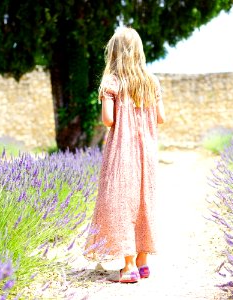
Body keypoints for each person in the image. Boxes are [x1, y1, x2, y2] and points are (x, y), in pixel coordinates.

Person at [84, 27, 166, 283]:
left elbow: (108, 120)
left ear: (114, 52)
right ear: (139, 51)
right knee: (144, 200)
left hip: (122, 150)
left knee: (121, 202)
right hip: (148, 151)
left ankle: (128, 266)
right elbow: (162, 117)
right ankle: (143, 262)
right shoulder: (152, 81)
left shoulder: (112, 81)